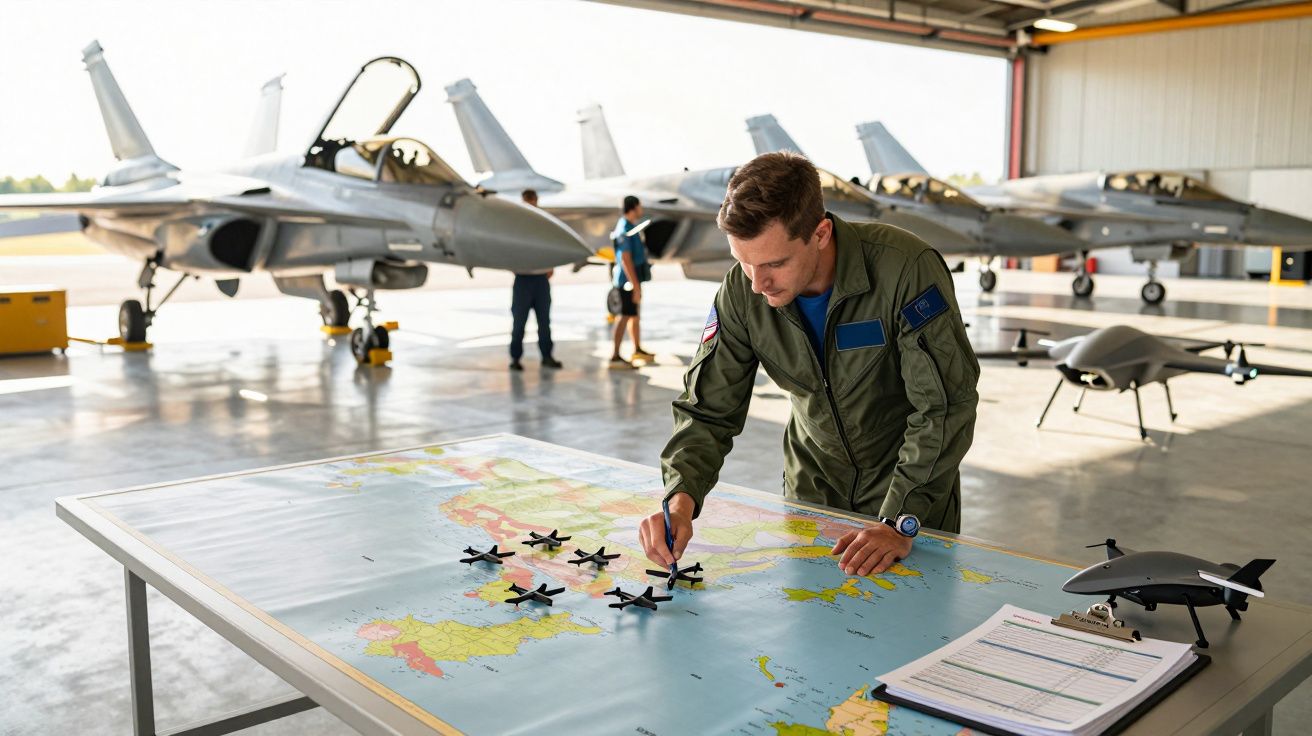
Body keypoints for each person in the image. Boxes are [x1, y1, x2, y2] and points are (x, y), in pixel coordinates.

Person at [638, 152, 979, 577]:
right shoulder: (742, 293)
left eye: (775, 264)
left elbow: (944, 406)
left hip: (912, 492)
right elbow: (708, 408)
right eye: (744, 262)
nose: (758, 284)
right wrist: (680, 499)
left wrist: (899, 521)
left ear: (820, 233)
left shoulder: (905, 270)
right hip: (812, 492)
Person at [508, 189, 562, 371]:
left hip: (540, 281)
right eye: (527, 202)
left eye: (533, 201)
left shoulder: (544, 223)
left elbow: (552, 246)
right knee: (519, 323)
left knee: (544, 322)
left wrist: (551, 266)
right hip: (523, 280)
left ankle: (547, 356)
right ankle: (515, 359)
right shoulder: (515, 225)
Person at [609, 195, 655, 369]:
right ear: (633, 208)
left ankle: (637, 349)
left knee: (634, 315)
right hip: (626, 282)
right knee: (624, 316)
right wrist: (635, 286)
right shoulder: (624, 229)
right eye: (640, 207)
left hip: (633, 280)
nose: (641, 210)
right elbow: (625, 259)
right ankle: (615, 356)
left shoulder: (630, 227)